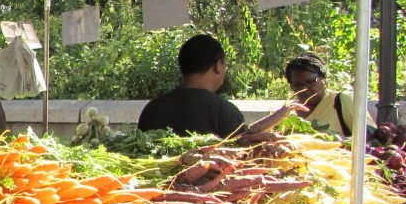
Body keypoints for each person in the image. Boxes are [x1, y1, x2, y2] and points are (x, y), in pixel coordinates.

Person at [138, 34, 292, 138]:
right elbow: (242, 151)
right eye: (225, 64)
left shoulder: (152, 108)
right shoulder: (222, 111)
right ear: (218, 65)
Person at [284, 52, 372, 139]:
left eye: (310, 82)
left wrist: (336, 141)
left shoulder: (342, 101)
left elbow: (371, 137)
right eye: (297, 85)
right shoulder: (288, 113)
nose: (304, 88)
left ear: (323, 79)